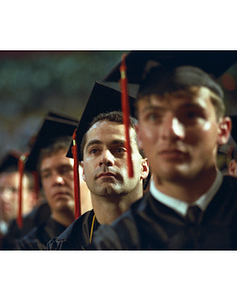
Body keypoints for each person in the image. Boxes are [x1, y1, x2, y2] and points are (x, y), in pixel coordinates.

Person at [91, 51, 237, 249]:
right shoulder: (116, 243)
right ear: (139, 135)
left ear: (223, 130)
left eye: (191, 114)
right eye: (154, 117)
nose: (171, 132)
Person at [47, 82, 149, 250]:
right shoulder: (63, 248)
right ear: (83, 171)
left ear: (144, 168)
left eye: (119, 149)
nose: (105, 159)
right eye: (94, 151)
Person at [13, 113, 92, 250]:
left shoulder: (116, 232)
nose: (56, 180)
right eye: (47, 174)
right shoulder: (30, 247)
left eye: (65, 169)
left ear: (86, 171)